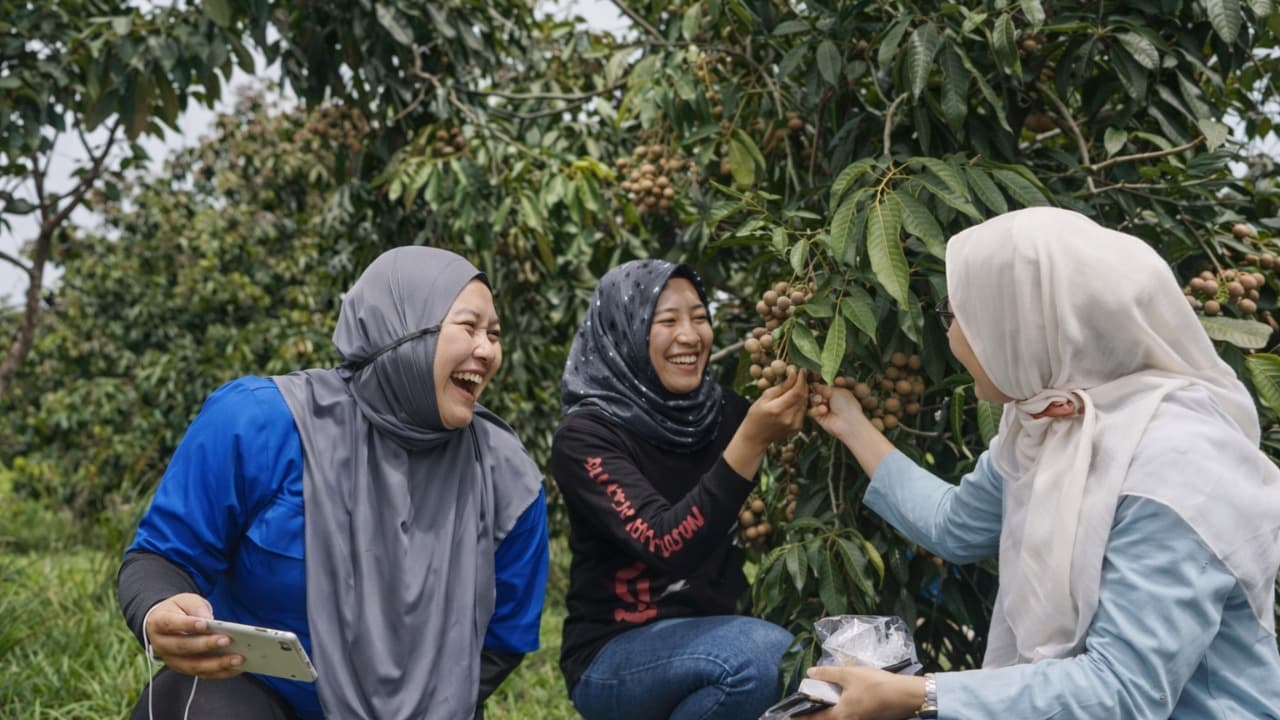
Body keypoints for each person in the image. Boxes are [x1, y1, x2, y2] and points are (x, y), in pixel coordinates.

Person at [804, 207, 1280, 719]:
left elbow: (1126, 692)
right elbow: (954, 525)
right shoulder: (1047, 419)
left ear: (1023, 328)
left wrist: (919, 695)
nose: (950, 333)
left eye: (958, 313)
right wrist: (851, 425)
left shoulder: (1179, 469)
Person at [117, 247, 549, 720]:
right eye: (469, 327)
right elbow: (162, 557)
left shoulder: (506, 477)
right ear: (398, 328)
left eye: (494, 334)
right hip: (259, 696)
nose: (487, 351)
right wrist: (158, 610)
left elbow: (502, 640)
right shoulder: (263, 422)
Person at [550, 258, 810, 720]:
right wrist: (751, 440)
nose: (689, 336)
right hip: (613, 652)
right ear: (626, 331)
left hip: (712, 637)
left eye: (699, 317)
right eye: (667, 321)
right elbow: (664, 543)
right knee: (763, 656)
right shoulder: (586, 436)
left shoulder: (724, 412)